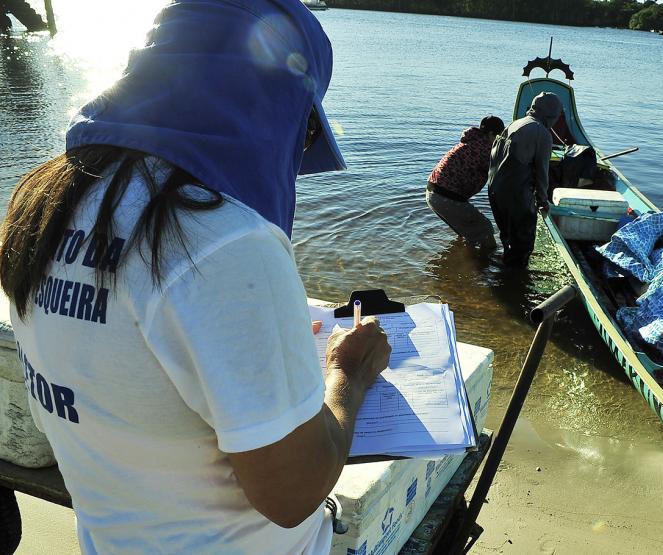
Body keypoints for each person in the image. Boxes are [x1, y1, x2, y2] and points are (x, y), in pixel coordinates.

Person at [0, 1, 391, 554]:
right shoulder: (226, 240)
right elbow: (293, 493)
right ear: (270, 109)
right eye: (302, 136)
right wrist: (348, 372)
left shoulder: (42, 202)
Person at [486, 92, 562, 267]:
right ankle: (514, 285)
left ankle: (501, 278)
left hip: (494, 190)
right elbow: (543, 172)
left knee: (507, 239)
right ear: (551, 115)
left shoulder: (515, 123)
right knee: (522, 246)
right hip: (514, 194)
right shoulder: (541, 133)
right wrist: (543, 201)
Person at [426, 116, 505, 248]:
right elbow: (502, 173)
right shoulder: (485, 148)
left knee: (468, 233)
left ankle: (464, 259)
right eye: (499, 136)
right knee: (485, 229)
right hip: (447, 197)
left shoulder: (472, 141)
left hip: (433, 194)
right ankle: (490, 261)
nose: (500, 140)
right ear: (491, 134)